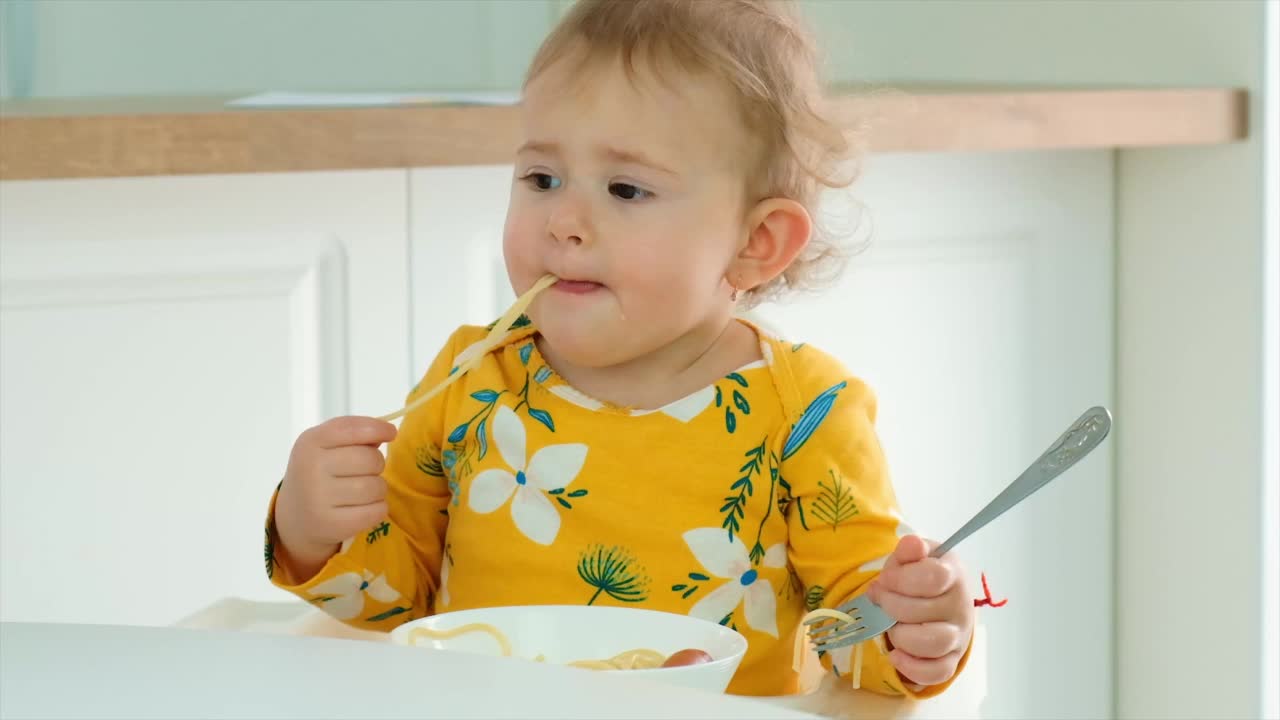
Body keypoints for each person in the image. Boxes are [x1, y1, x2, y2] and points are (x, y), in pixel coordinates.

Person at [264, 0, 974, 698]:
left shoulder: (807, 412)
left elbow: (847, 632)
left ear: (756, 243)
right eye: (542, 179)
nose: (565, 221)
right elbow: (398, 601)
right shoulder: (474, 375)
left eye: (626, 189)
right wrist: (310, 530)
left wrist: (908, 635)